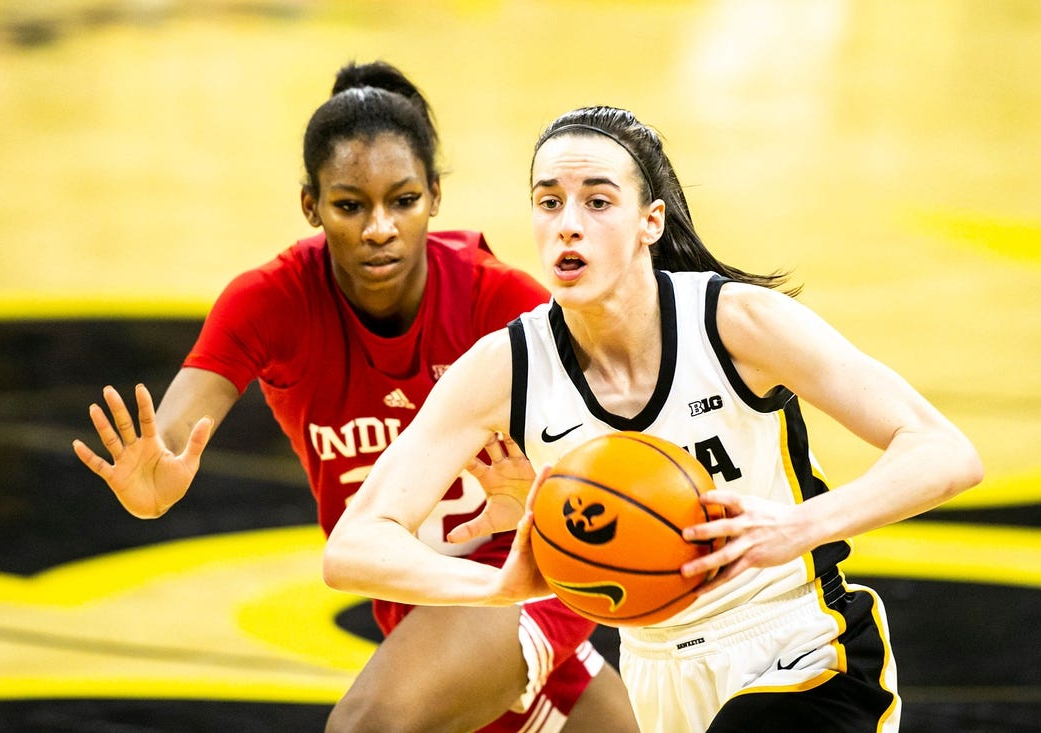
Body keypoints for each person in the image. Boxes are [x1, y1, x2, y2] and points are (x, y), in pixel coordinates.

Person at [321, 105, 985, 732]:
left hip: (802, 647)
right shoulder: (506, 365)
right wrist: (496, 586)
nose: (568, 224)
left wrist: (799, 525)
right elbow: (354, 547)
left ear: (651, 221)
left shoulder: (734, 323)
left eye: (598, 201)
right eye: (548, 201)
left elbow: (943, 451)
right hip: (658, 674)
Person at [72, 65, 639, 733]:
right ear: (311, 206)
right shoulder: (270, 302)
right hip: (421, 607)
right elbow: (174, 432)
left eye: (402, 200)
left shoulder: (500, 300)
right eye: (350, 205)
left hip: (521, 571)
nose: (379, 228)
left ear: (433, 195)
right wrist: (155, 483)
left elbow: (620, 442)